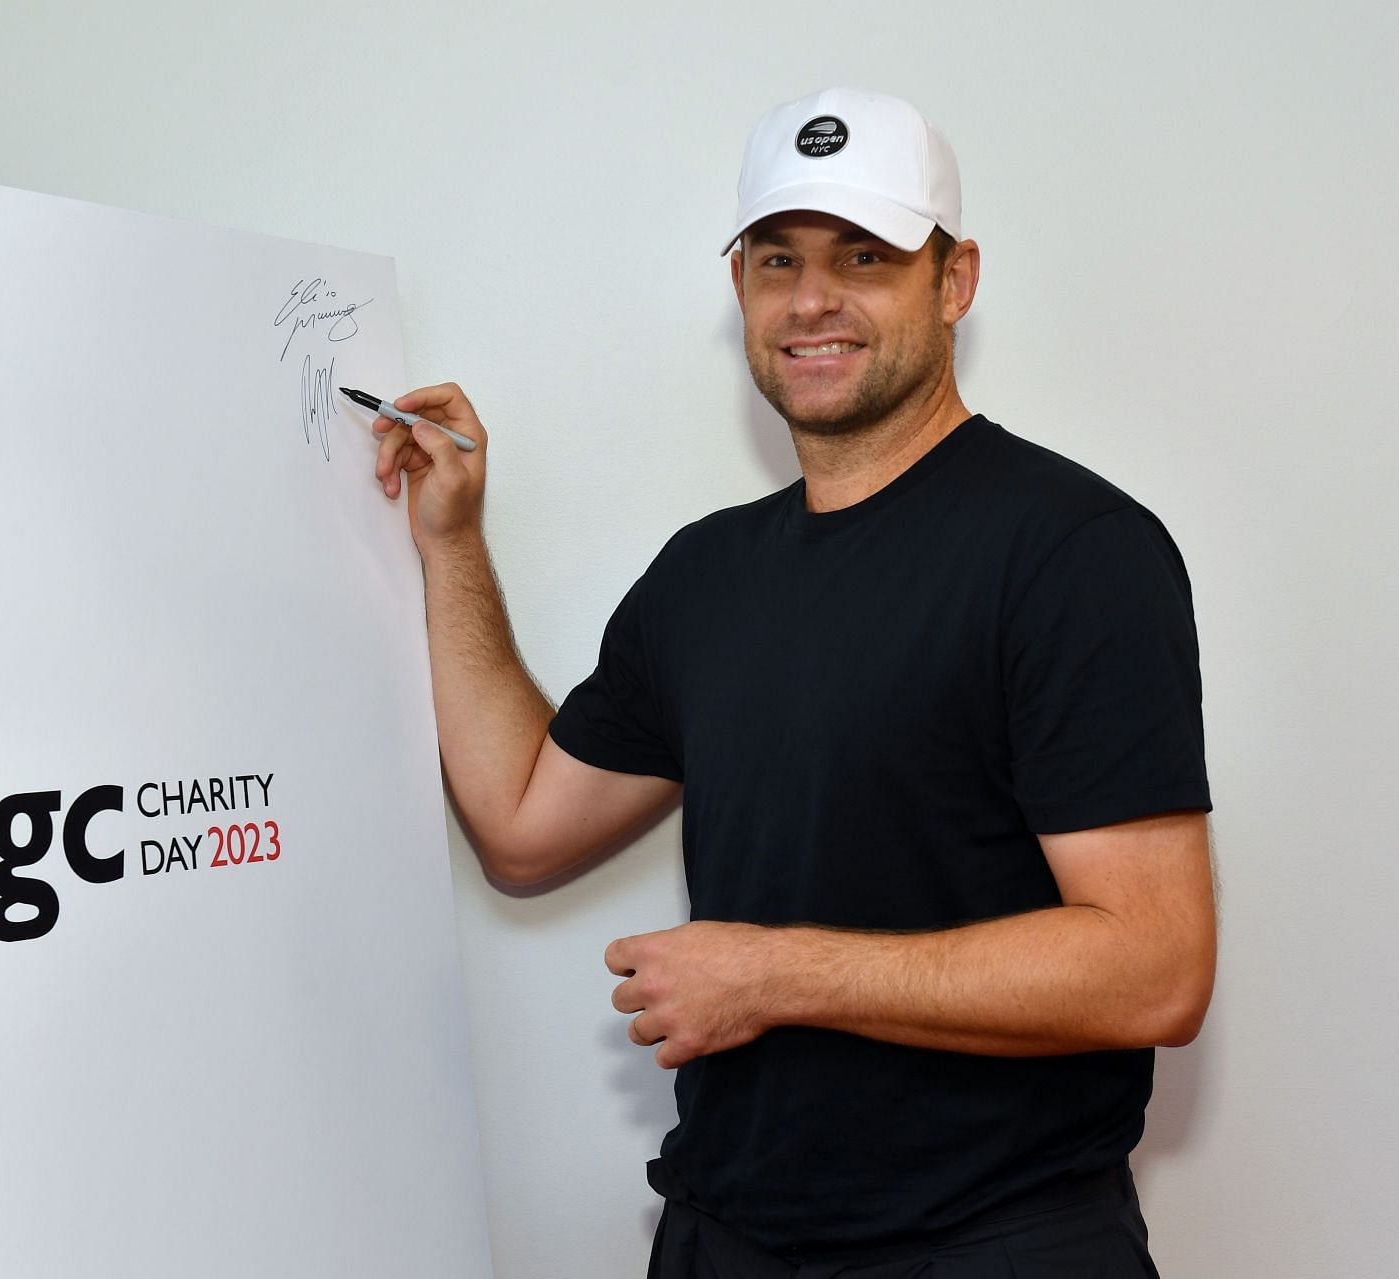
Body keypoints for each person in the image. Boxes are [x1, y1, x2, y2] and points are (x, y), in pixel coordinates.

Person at [370, 86, 1215, 1278]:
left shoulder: (1074, 551)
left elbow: (1155, 968)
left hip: (990, 1245)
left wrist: (775, 973)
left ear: (955, 280)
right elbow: (519, 821)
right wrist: (452, 543)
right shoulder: (706, 574)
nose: (812, 298)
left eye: (864, 256)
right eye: (779, 260)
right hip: (729, 1237)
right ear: (741, 292)